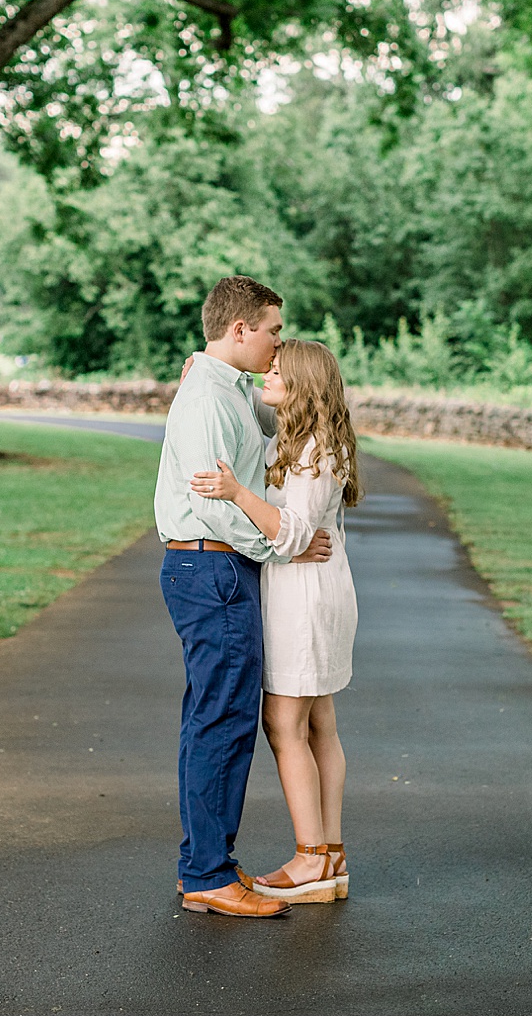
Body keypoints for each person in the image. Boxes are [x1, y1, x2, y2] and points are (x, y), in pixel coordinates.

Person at [155, 276, 333, 918]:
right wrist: (284, 546)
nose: (277, 344)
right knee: (222, 723)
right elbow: (215, 505)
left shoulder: (225, 389)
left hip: (218, 571)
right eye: (273, 330)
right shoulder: (207, 397)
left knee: (217, 719)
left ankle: (206, 865)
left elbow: (277, 438)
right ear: (241, 330)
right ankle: (206, 873)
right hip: (212, 569)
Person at [190, 338, 361, 906]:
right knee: (319, 726)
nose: (268, 371)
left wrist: (237, 493)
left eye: (279, 371)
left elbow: (292, 531)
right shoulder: (298, 437)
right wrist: (204, 371)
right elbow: (251, 409)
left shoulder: (316, 449)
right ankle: (330, 856)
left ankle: (311, 857)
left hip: (304, 599)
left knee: (285, 726)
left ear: (303, 387)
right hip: (315, 592)